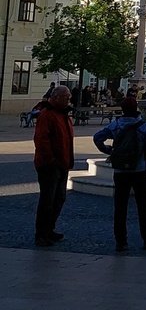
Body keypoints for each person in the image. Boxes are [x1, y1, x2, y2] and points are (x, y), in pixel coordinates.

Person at [93, 97, 146, 252]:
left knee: (120, 206)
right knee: (143, 206)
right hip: (140, 170)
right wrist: (144, 158)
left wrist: (109, 151)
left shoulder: (116, 125)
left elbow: (97, 138)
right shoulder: (145, 127)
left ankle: (121, 241)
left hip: (120, 171)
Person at [33, 85, 74, 246]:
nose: (69, 99)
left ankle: (49, 229)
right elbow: (42, 139)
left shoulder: (63, 114)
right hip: (50, 165)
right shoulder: (48, 114)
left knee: (59, 198)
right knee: (47, 200)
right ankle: (41, 233)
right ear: (56, 98)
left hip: (62, 162)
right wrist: (51, 160)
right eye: (66, 97)